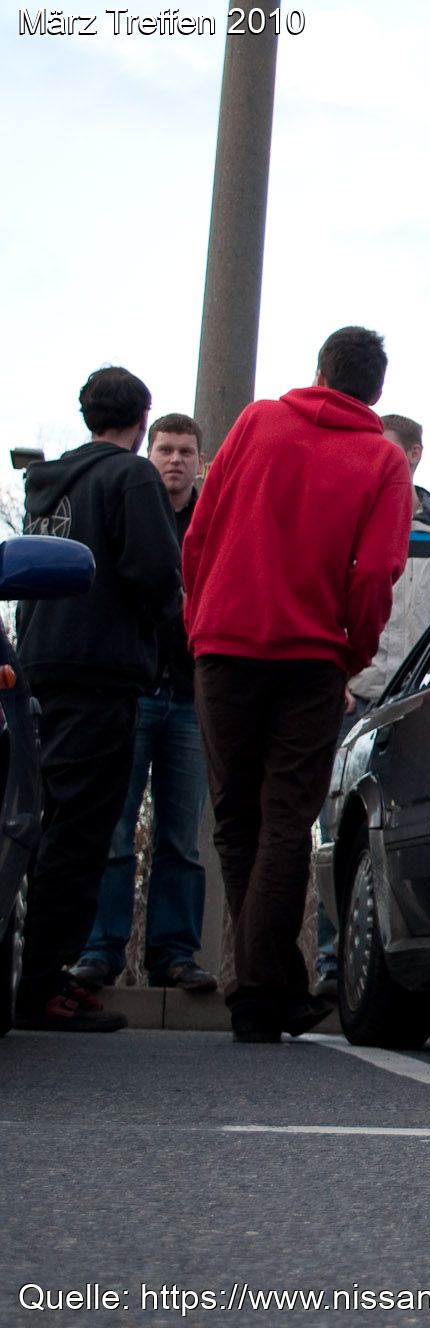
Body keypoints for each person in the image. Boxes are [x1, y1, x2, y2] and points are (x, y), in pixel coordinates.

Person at [182, 327, 412, 1043]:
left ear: (319, 371)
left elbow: (199, 534)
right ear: (376, 391)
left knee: (236, 818)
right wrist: (352, 654)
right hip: (311, 658)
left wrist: (200, 621)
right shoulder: (383, 460)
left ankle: (267, 988)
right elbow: (376, 575)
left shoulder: (257, 423)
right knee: (287, 819)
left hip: (224, 645)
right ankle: (265, 990)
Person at [13, 367, 184, 1032]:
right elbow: (155, 572)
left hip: (39, 668)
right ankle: (40, 984)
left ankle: (33, 968)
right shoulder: (130, 477)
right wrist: (169, 632)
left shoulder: (49, 483)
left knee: (40, 822)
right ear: (142, 422)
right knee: (81, 831)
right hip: (102, 672)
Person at [310, 411, 430, 998]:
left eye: (383, 448)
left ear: (414, 455)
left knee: (424, 830)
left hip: (425, 705)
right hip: (354, 699)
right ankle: (335, 967)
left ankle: (419, 972)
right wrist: (335, 674)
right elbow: (320, 598)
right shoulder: (342, 518)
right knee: (339, 833)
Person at [67, 415, 217, 995]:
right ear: (147, 453)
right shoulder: (129, 508)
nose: (175, 459)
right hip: (131, 693)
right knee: (115, 829)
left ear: (200, 463)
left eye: (185, 451)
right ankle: (99, 950)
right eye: (165, 449)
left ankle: (174, 954)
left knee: (181, 838)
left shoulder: (212, 522)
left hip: (190, 697)